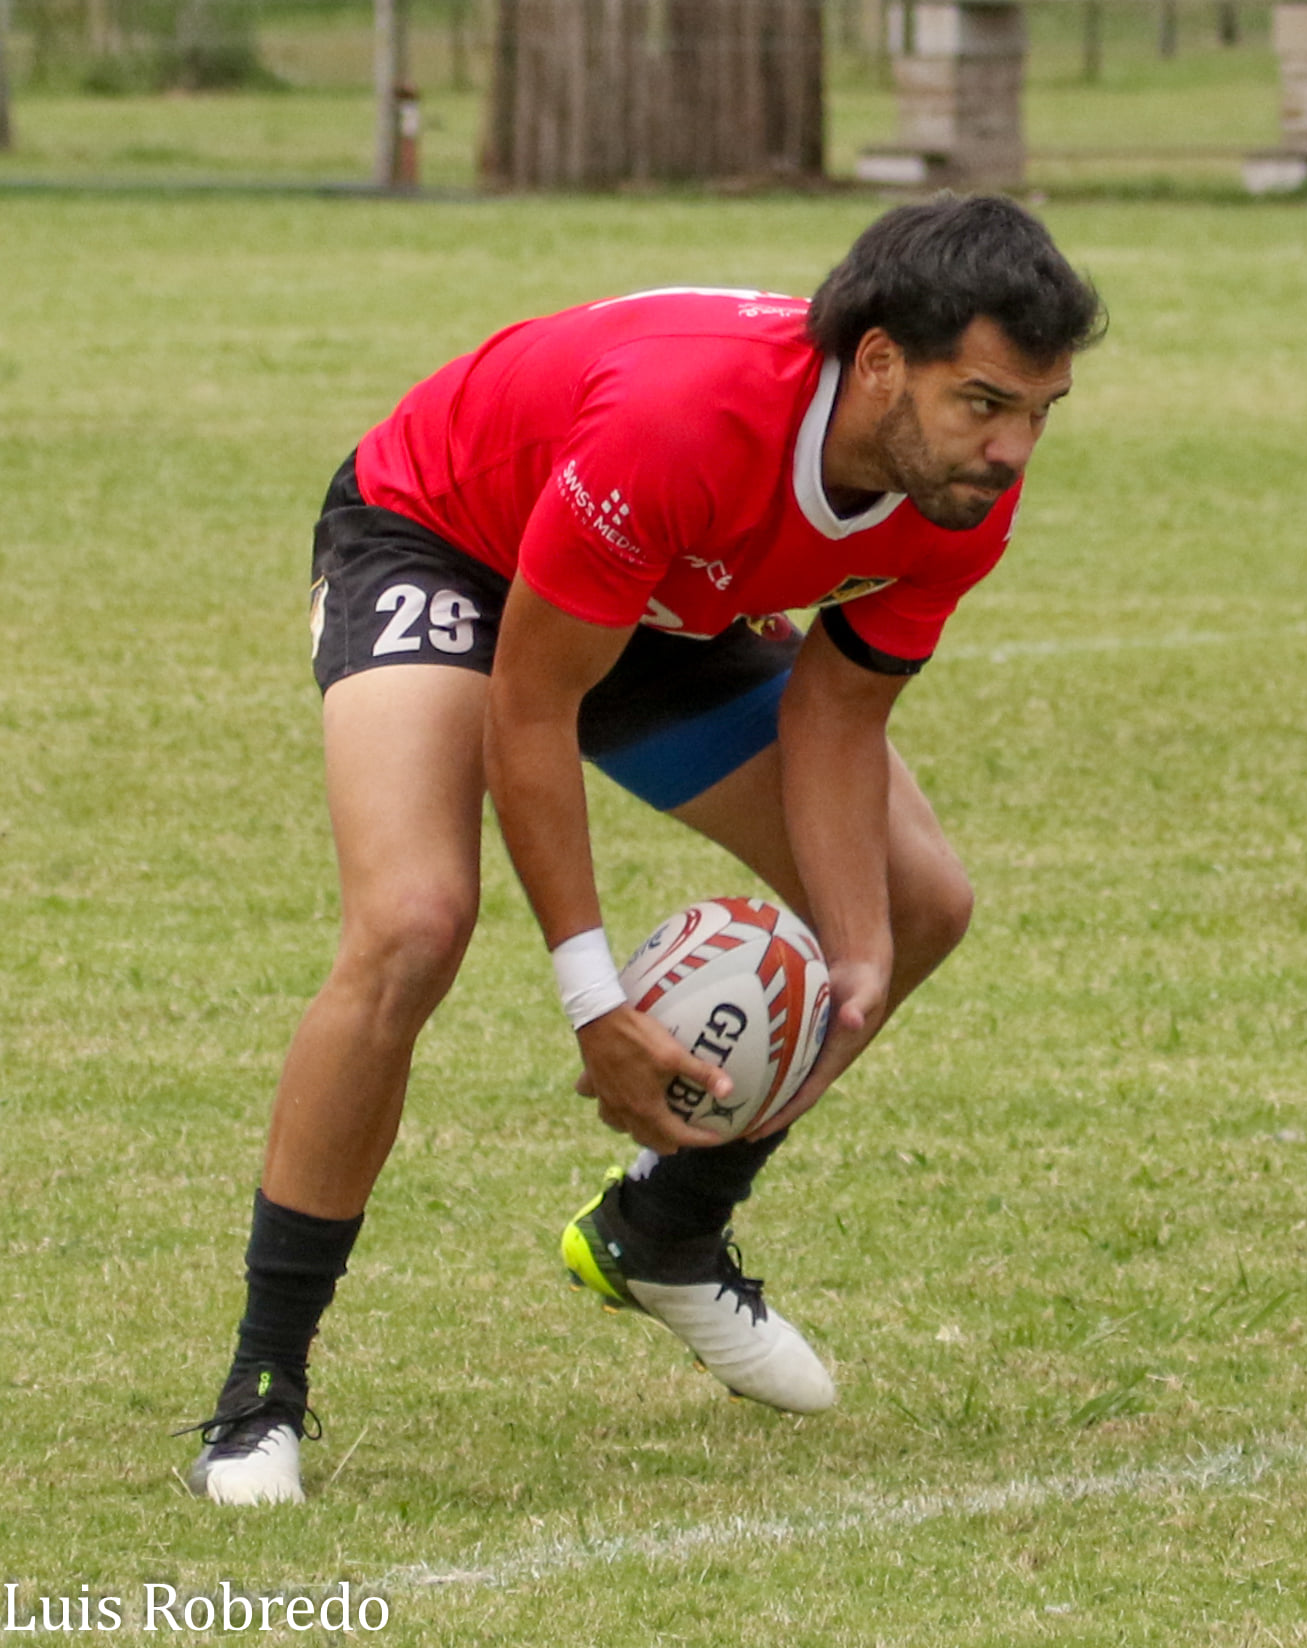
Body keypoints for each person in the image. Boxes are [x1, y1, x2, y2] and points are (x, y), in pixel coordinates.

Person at [180, 194, 1104, 1505]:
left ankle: (660, 1233)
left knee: (912, 903)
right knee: (413, 926)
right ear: (881, 360)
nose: (1012, 449)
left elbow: (836, 713)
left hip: (665, 589)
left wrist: (850, 956)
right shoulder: (686, 419)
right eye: (984, 403)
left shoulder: (955, 500)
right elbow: (530, 705)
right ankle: (261, 1389)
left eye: (1040, 412)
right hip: (449, 543)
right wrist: (592, 999)